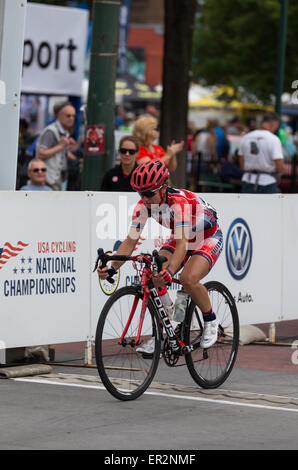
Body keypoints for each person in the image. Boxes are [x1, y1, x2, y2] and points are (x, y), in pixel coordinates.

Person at [97, 160, 223, 355]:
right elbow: (130, 242)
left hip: (207, 236)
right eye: (141, 194)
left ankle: (210, 321)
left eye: (149, 193)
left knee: (187, 278)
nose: (145, 199)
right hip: (184, 235)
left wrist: (170, 271)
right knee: (154, 273)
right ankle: (166, 330)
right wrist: (113, 267)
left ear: (164, 187)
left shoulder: (179, 203)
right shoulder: (143, 207)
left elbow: (182, 245)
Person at [238, 112, 285, 193]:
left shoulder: (246, 137)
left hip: (248, 180)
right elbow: (280, 166)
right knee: (267, 206)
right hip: (267, 181)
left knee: (247, 205)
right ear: (274, 123)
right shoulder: (273, 139)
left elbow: (242, 164)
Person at [36, 101, 76, 190]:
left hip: (59, 179)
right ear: (58, 115)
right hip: (49, 180)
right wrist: (61, 146)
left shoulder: (64, 132)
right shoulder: (50, 131)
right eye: (68, 115)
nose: (71, 118)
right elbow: (40, 154)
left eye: (73, 116)